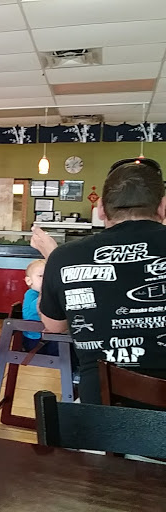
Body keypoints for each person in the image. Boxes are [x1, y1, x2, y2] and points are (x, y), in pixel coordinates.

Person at [34, 157, 166, 404]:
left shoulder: (65, 256)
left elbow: (54, 326)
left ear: (101, 208)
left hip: (101, 415)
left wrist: (52, 258)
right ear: (163, 206)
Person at [22, 259, 58, 356]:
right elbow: (35, 309)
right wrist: (47, 291)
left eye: (50, 276)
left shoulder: (48, 296)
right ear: (29, 281)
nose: (46, 280)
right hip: (35, 340)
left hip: (47, 337)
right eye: (41, 276)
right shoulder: (31, 294)